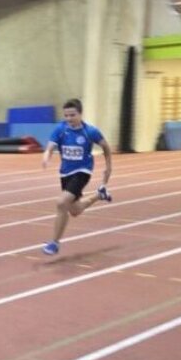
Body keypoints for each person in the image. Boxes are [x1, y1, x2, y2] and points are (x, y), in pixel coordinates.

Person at [41, 98, 113, 255]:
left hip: (82, 172)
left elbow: (106, 147)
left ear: (80, 114)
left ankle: (54, 243)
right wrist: (47, 155)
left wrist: (108, 167)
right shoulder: (60, 129)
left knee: (61, 203)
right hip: (65, 173)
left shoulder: (90, 131)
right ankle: (99, 195)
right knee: (75, 210)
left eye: (72, 115)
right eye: (66, 115)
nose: (69, 118)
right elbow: (51, 146)